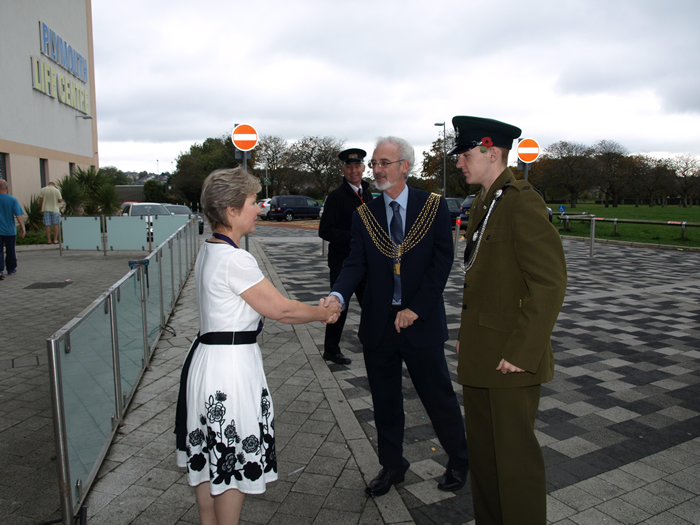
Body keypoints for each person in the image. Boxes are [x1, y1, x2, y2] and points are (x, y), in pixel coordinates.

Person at [175, 167, 341, 525]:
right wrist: (322, 312)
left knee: (208, 453)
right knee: (230, 459)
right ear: (232, 210)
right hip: (230, 369)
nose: (259, 207)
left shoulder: (210, 249)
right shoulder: (236, 259)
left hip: (207, 360)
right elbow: (281, 309)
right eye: (252, 202)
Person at [325, 136, 469, 497]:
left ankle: (459, 459)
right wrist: (338, 294)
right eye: (374, 163)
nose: (375, 170)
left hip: (420, 321)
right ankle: (393, 465)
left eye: (383, 163)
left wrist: (416, 308)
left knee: (438, 397)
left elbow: (442, 262)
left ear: (405, 166)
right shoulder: (365, 214)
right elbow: (354, 262)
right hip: (379, 325)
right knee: (384, 402)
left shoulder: (432, 206)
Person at [448, 116, 567, 524]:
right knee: (486, 464)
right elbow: (481, 282)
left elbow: (549, 283)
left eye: (464, 154)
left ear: (490, 151)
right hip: (483, 354)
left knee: (514, 468)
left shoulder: (520, 200)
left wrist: (521, 351)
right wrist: (467, 336)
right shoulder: (486, 200)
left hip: (511, 360)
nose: (459, 163)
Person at [318, 147, 376, 365]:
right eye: (349, 167)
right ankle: (331, 350)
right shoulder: (336, 197)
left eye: (357, 166)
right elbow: (325, 231)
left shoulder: (367, 193)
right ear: (343, 170)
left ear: (363, 168)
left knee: (371, 304)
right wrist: (355, 237)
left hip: (365, 262)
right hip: (343, 263)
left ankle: (375, 344)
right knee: (338, 306)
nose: (353, 170)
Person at [0, 179, 26, 280]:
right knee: (10, 250)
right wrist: (22, 227)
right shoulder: (12, 200)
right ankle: (11, 269)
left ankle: (0, 270)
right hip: (9, 231)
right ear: (7, 187)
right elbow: (18, 214)